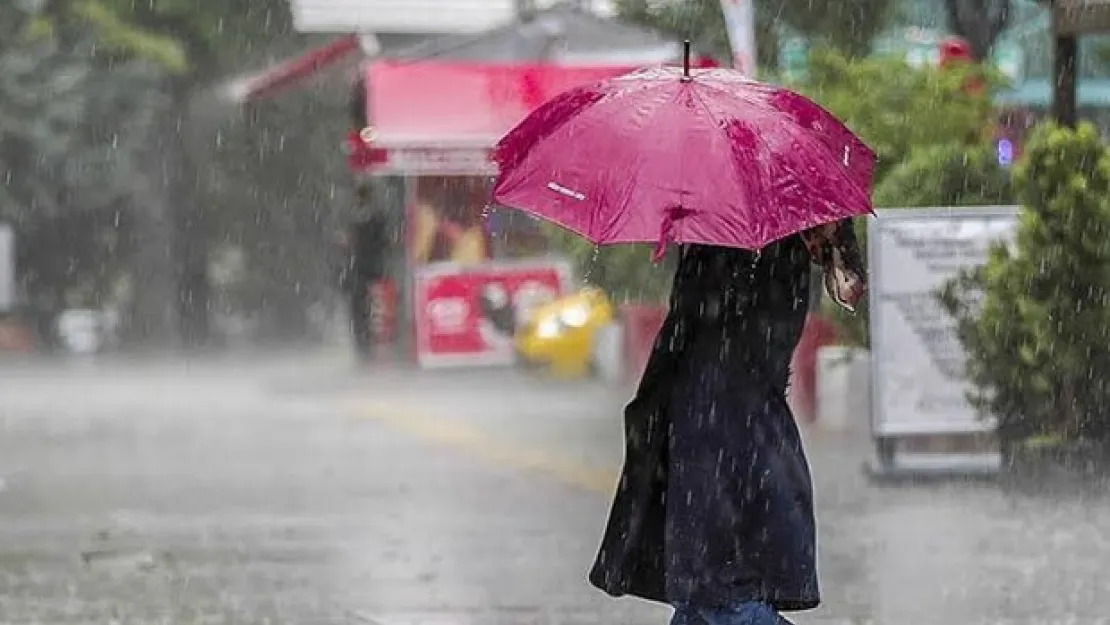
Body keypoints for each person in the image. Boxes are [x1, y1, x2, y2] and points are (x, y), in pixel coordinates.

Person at [588, 220, 865, 625]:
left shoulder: (721, 218)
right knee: (705, 595)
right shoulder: (786, 220)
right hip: (739, 416)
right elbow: (845, 286)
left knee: (716, 594)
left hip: (717, 414)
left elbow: (704, 317)